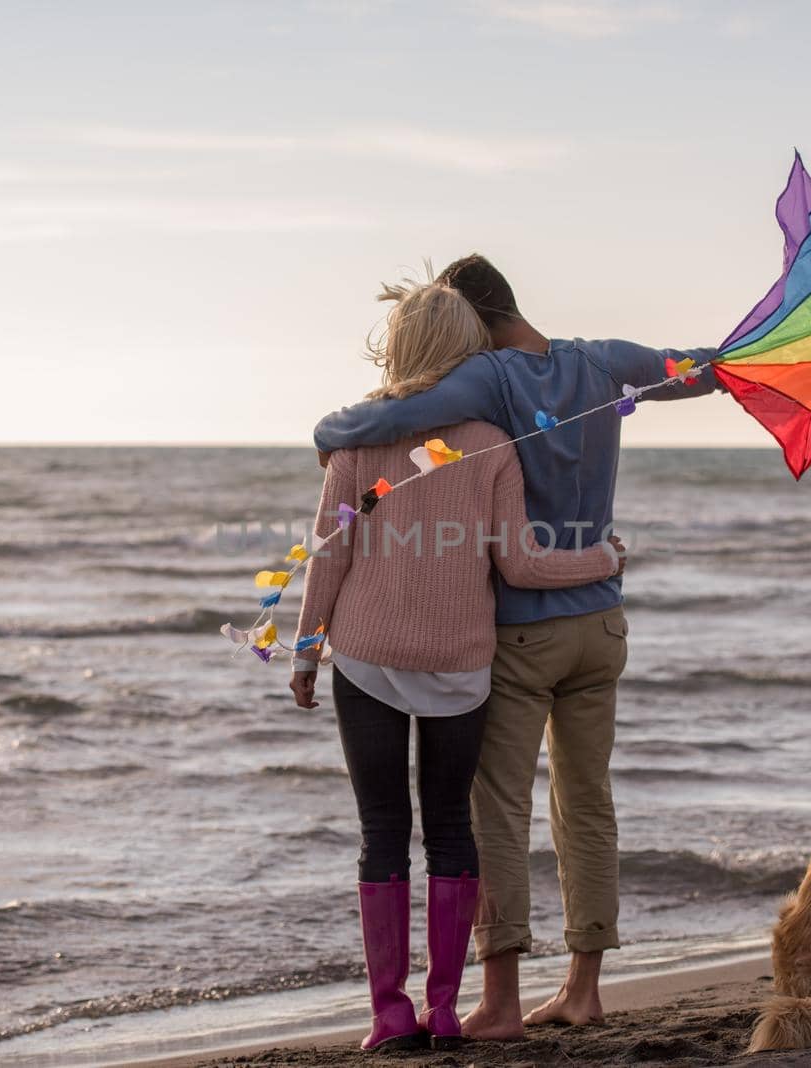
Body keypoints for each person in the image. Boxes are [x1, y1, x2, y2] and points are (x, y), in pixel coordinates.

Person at [312, 253, 725, 1040]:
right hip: (601, 626)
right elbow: (694, 371)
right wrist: (758, 356)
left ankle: (499, 1002)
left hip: (526, 628)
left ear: (470, 321)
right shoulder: (606, 362)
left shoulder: (485, 381)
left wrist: (327, 433)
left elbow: (381, 422)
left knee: (494, 814)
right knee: (588, 805)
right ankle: (584, 988)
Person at [290, 277, 626, 1052]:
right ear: (468, 351)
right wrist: (603, 558)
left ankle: (389, 1015)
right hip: (464, 669)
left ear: (400, 347)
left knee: (382, 831)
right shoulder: (491, 448)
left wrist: (308, 651)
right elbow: (523, 565)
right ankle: (444, 1011)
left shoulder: (353, 445)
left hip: (367, 663)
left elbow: (327, 560)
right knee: (451, 830)